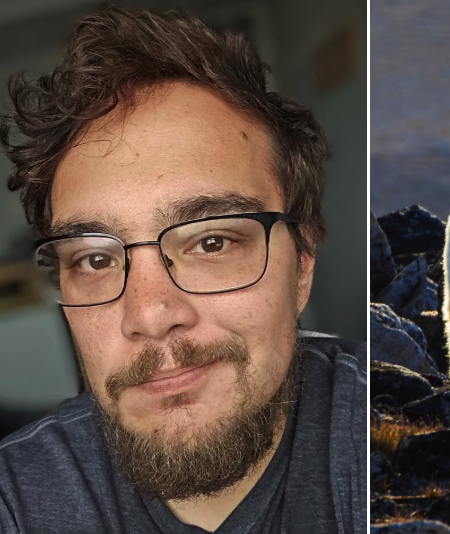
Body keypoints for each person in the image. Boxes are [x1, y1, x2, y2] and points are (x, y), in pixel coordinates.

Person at [0, 6, 366, 533]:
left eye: (211, 241)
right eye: (95, 259)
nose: (149, 314)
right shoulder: (20, 497)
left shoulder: (397, 437)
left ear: (303, 262)